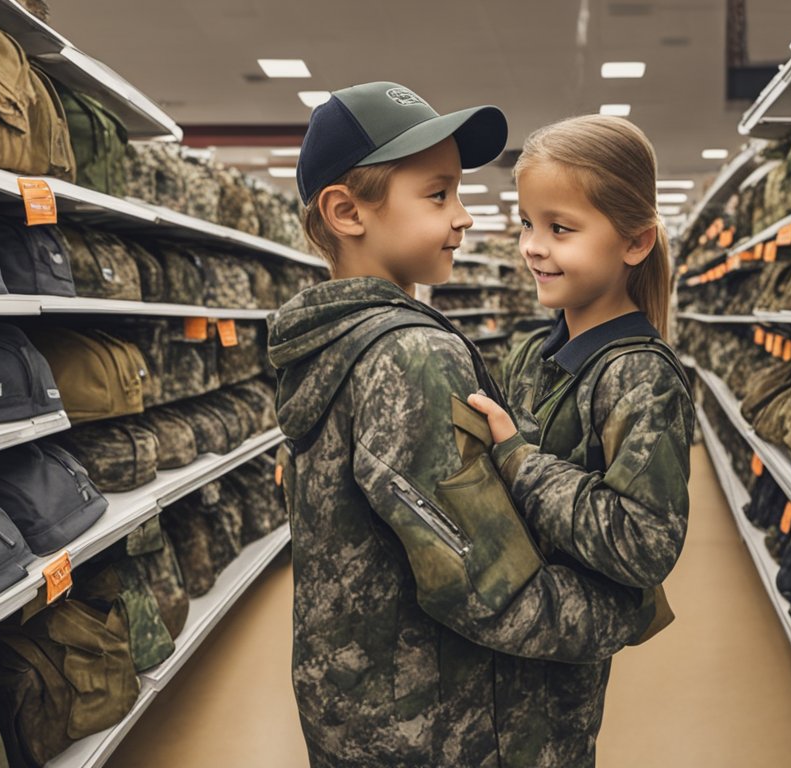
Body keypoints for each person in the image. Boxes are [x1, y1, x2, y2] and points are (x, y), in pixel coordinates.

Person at [267, 83, 662, 767]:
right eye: (438, 194)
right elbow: (490, 591)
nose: (464, 217)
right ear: (345, 210)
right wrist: (620, 608)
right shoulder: (412, 354)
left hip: (363, 710)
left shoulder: (327, 340)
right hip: (447, 727)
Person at [467, 113, 695, 732]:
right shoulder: (533, 354)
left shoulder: (639, 378)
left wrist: (517, 459)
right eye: (527, 224)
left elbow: (646, 544)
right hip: (505, 650)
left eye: (560, 228)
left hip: (559, 677)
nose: (533, 246)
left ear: (635, 242)